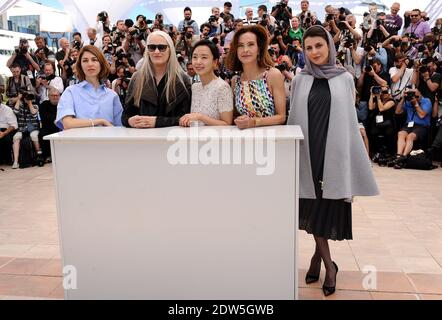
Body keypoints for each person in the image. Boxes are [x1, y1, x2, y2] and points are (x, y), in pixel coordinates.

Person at [287, 26, 378, 296]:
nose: (314, 52)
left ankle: (323, 262)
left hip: (333, 155)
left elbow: (348, 121)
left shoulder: (345, 78)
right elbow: (294, 118)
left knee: (325, 211)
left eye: (319, 46)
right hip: (308, 154)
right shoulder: (300, 78)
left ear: (329, 46)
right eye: (309, 47)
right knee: (313, 209)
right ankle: (326, 263)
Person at [123, 31, 192, 128]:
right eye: (152, 47)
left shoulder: (182, 79)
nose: (156, 52)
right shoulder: (136, 78)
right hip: (142, 138)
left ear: (170, 50)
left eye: (161, 47)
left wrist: (157, 122)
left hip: (172, 139)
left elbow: (185, 117)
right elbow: (126, 115)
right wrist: (130, 121)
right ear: (147, 51)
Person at [225, 25, 286, 129]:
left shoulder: (273, 75)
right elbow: (235, 116)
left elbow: (281, 117)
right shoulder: (235, 80)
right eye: (240, 45)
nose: (245, 50)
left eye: (251, 44)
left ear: (259, 49)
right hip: (245, 140)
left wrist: (254, 122)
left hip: (271, 139)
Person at [55, 45, 123, 130]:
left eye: (94, 60)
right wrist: (100, 121)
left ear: (101, 63)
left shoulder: (112, 96)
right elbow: (67, 123)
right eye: (85, 61)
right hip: (79, 143)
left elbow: (120, 128)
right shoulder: (70, 92)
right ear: (80, 66)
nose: (90, 64)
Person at [179, 40, 233, 127]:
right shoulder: (195, 87)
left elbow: (227, 123)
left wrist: (200, 117)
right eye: (195, 57)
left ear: (215, 62)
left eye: (204, 57)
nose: (198, 62)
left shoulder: (222, 88)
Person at [394, 88, 432, 168]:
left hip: (421, 126)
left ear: (420, 95)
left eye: (417, 96)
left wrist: (416, 104)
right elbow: (397, 112)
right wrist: (403, 99)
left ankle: (402, 158)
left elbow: (422, 115)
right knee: (400, 133)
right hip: (409, 125)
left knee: (410, 136)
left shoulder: (426, 101)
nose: (414, 98)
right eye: (412, 96)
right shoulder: (408, 101)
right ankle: (399, 156)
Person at [38, 87, 60, 162]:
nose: (55, 97)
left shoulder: (63, 104)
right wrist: (55, 120)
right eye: (53, 95)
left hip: (60, 127)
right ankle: (46, 156)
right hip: (48, 127)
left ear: (59, 96)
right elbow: (45, 117)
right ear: (49, 96)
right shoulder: (44, 104)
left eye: (57, 95)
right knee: (42, 135)